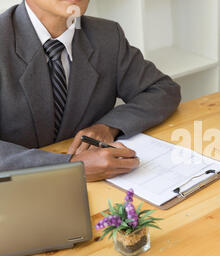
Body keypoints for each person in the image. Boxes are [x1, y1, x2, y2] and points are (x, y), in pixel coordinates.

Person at [0, 0, 181, 181]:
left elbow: (162, 90)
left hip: (101, 188)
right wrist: (71, 166)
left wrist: (108, 127)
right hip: (18, 188)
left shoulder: (107, 35)